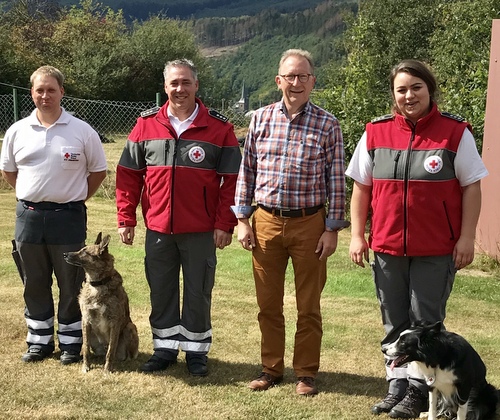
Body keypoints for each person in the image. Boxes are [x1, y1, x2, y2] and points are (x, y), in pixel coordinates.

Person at [346, 59, 488, 418]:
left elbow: (472, 187)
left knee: (425, 324)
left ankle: (417, 392)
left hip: (436, 249)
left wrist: (467, 238)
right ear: (393, 94)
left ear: (429, 89)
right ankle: (396, 386)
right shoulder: (375, 132)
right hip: (387, 248)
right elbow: (361, 188)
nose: (409, 95)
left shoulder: (455, 133)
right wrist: (357, 234)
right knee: (394, 323)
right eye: (401, 89)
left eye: (416, 87)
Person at [233, 49, 349, 396]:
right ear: (278, 81)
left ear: (312, 81)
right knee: (268, 304)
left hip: (309, 224)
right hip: (265, 222)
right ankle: (271, 369)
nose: (296, 83)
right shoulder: (261, 119)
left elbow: (336, 181)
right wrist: (242, 219)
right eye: (290, 76)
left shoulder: (328, 124)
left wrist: (332, 228)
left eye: (303, 76)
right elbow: (247, 170)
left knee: (308, 305)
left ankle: (306, 373)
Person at [116, 58, 241, 377]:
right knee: (161, 289)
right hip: (158, 228)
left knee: (198, 290)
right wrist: (126, 217)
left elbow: (234, 180)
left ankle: (197, 352)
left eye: (186, 82)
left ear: (196, 86)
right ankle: (165, 349)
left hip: (200, 230)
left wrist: (225, 223)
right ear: (165, 87)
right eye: (174, 83)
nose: (180, 89)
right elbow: (128, 175)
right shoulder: (145, 124)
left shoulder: (219, 127)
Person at [0, 65, 107, 365]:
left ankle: (72, 344)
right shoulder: (17, 131)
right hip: (29, 217)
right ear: (31, 93)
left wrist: (72, 198)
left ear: (62, 92)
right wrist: (32, 195)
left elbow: (98, 171)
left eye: (51, 89)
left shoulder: (82, 130)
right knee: (33, 280)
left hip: (68, 217)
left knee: (70, 281)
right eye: (39, 90)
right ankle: (39, 341)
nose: (45, 95)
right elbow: (9, 171)